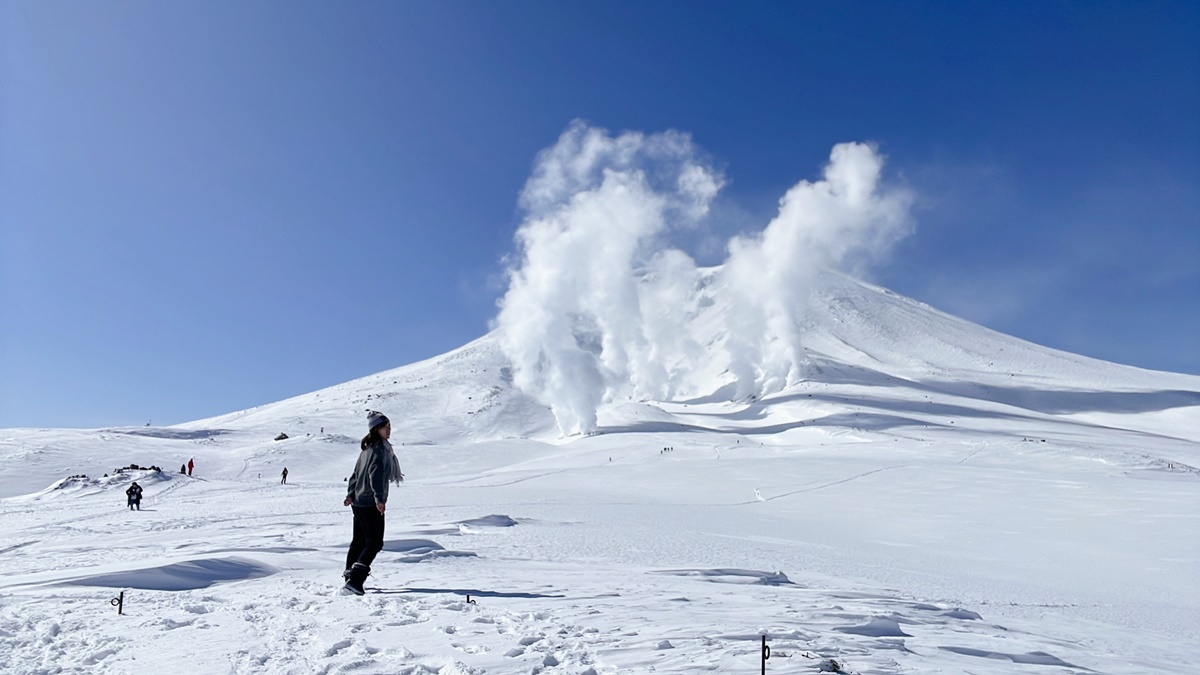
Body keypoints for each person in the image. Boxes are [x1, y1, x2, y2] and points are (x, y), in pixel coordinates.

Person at [342, 411, 403, 595]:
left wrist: (350, 494)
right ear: (376, 429)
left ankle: (350, 577)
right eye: (385, 427)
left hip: (359, 501)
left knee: (359, 541)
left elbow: (355, 474)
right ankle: (355, 580)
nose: (389, 430)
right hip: (369, 502)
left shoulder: (366, 450)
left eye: (389, 426)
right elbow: (375, 476)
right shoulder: (378, 451)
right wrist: (380, 499)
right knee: (375, 543)